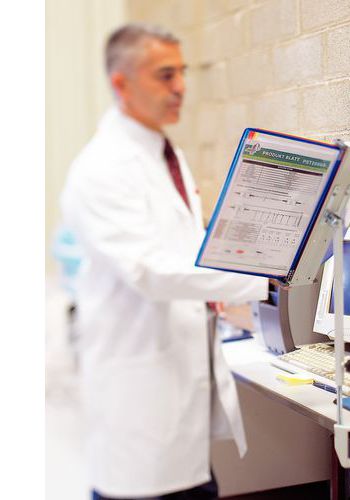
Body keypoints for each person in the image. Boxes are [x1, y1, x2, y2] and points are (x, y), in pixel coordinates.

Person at [61, 24, 268, 500]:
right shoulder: (101, 168)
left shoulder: (164, 155)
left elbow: (187, 250)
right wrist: (262, 278)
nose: (181, 87)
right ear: (121, 83)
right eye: (165, 75)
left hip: (181, 411)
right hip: (139, 411)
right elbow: (149, 270)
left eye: (182, 73)